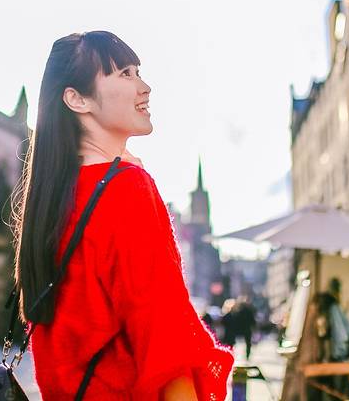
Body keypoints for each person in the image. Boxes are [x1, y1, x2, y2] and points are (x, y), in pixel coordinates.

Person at [12, 31, 233, 400]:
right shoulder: (126, 190)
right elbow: (166, 343)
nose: (144, 87)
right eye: (125, 74)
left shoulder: (53, 198)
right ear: (77, 99)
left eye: (138, 72)